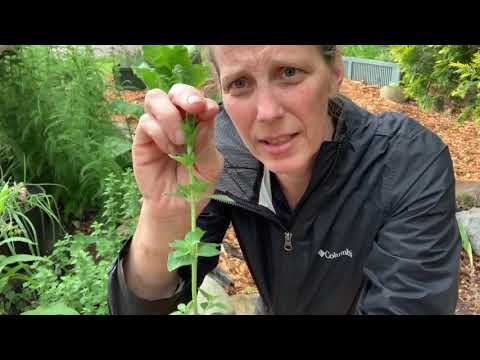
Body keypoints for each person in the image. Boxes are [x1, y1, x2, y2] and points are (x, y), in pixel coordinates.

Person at [107, 45, 461, 315]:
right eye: (240, 83)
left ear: (335, 71)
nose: (267, 113)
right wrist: (163, 215)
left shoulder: (406, 162)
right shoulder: (218, 153)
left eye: (289, 72)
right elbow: (139, 304)